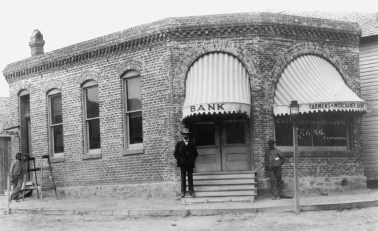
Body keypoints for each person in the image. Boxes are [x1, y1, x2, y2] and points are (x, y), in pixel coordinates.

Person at [174, 127, 198, 198]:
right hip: (182, 163)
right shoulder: (179, 143)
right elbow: (175, 154)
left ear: (188, 135)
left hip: (190, 163)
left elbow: (196, 154)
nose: (186, 135)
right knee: (183, 177)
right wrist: (180, 160)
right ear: (182, 135)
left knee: (190, 177)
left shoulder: (192, 143)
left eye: (187, 134)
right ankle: (183, 191)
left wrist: (192, 160)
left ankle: (191, 191)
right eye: (184, 134)